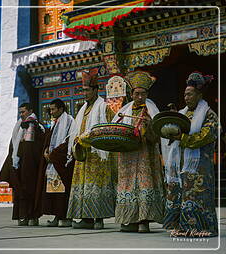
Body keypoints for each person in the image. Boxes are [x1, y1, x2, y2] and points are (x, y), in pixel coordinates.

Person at [163, 72, 218, 237]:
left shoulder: (209, 114)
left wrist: (182, 137)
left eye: (190, 94)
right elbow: (176, 134)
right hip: (182, 164)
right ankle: (184, 227)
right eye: (185, 94)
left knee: (198, 195)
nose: (186, 97)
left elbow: (205, 136)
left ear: (199, 95)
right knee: (183, 196)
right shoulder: (183, 113)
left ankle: (204, 227)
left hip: (200, 165)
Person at [112, 71, 165, 233]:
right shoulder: (124, 111)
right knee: (128, 186)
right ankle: (130, 219)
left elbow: (157, 136)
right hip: (127, 156)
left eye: (143, 94)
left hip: (145, 156)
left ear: (147, 94)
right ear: (131, 94)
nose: (139, 96)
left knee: (144, 185)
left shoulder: (152, 111)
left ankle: (144, 221)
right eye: (136, 93)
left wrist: (149, 126)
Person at [66, 68, 117, 229]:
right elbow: (76, 130)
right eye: (83, 90)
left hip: (97, 155)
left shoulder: (104, 107)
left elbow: (109, 128)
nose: (84, 93)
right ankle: (86, 218)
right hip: (83, 154)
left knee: (97, 187)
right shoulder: (82, 109)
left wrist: (93, 139)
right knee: (84, 187)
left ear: (96, 90)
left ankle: (99, 218)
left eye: (87, 90)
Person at [0, 103, 45, 226]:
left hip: (32, 166)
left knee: (32, 190)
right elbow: (13, 146)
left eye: (23, 112)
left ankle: (33, 217)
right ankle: (22, 215)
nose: (21, 114)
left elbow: (39, 146)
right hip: (19, 164)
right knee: (20, 191)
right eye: (20, 112)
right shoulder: (19, 126)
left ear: (30, 111)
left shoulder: (37, 126)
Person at [34, 99, 75, 227]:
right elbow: (50, 139)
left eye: (53, 109)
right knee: (54, 192)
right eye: (50, 109)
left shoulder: (69, 121)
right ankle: (57, 217)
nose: (51, 112)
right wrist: (46, 151)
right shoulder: (55, 123)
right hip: (53, 163)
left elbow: (69, 141)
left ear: (61, 109)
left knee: (63, 192)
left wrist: (54, 155)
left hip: (62, 162)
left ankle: (66, 218)